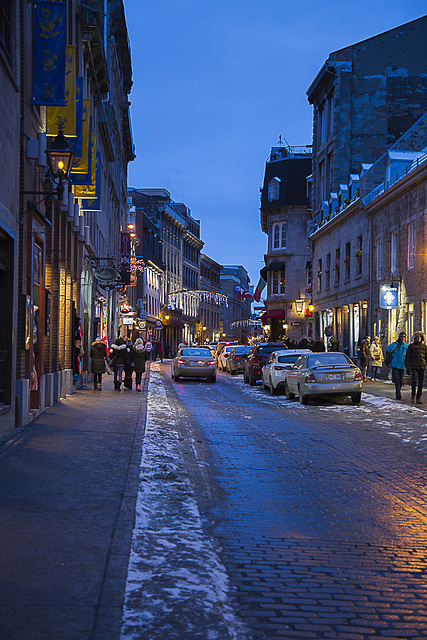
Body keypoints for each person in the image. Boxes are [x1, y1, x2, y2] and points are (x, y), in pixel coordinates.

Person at [405, 331, 427, 404]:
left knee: (420, 383)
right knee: (414, 381)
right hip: (414, 366)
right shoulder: (411, 346)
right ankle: (413, 396)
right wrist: (408, 367)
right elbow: (407, 357)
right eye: (417, 337)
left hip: (422, 366)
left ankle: (418, 397)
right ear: (415, 338)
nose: (418, 338)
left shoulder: (424, 347)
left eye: (420, 337)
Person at [386, 332, 408, 400]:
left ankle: (398, 390)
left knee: (401, 381)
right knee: (397, 379)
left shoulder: (406, 346)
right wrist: (395, 343)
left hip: (402, 365)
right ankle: (398, 393)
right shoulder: (395, 345)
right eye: (401, 337)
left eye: (403, 337)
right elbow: (388, 349)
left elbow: (407, 355)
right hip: (395, 365)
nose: (402, 338)